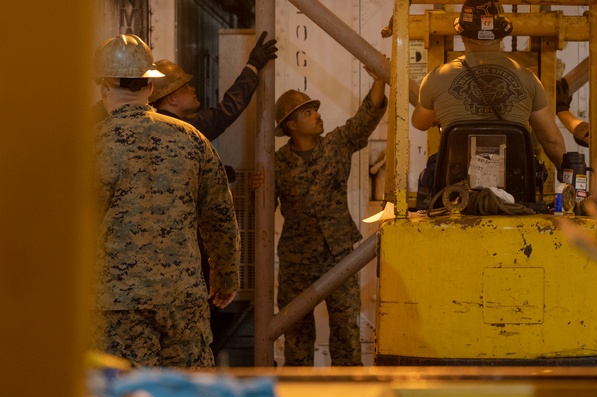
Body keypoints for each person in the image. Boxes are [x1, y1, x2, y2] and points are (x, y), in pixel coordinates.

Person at [92, 34, 240, 368]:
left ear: (103, 87)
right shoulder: (192, 139)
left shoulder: (91, 146)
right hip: (182, 299)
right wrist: (225, 276)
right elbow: (219, 215)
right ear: (149, 87)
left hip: (116, 306)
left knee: (126, 392)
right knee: (187, 390)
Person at [273, 69, 387, 366]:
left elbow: (365, 119)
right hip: (297, 259)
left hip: (338, 254)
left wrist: (379, 80)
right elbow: (262, 207)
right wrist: (257, 187)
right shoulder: (277, 164)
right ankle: (297, 391)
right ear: (291, 125)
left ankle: (349, 389)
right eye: (308, 113)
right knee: (296, 334)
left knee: (346, 331)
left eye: (315, 110)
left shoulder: (336, 145)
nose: (317, 116)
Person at [411, 0, 566, 170]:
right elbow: (551, 140)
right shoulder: (529, 78)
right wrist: (567, 176)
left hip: (455, 181)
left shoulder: (436, 77)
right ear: (502, 36)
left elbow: (419, 123)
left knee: (430, 172)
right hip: (515, 180)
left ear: (462, 35)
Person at [150, 31, 278, 141]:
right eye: (185, 87)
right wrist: (253, 65)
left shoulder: (151, 129)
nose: (192, 89)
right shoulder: (185, 131)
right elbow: (225, 111)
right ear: (171, 99)